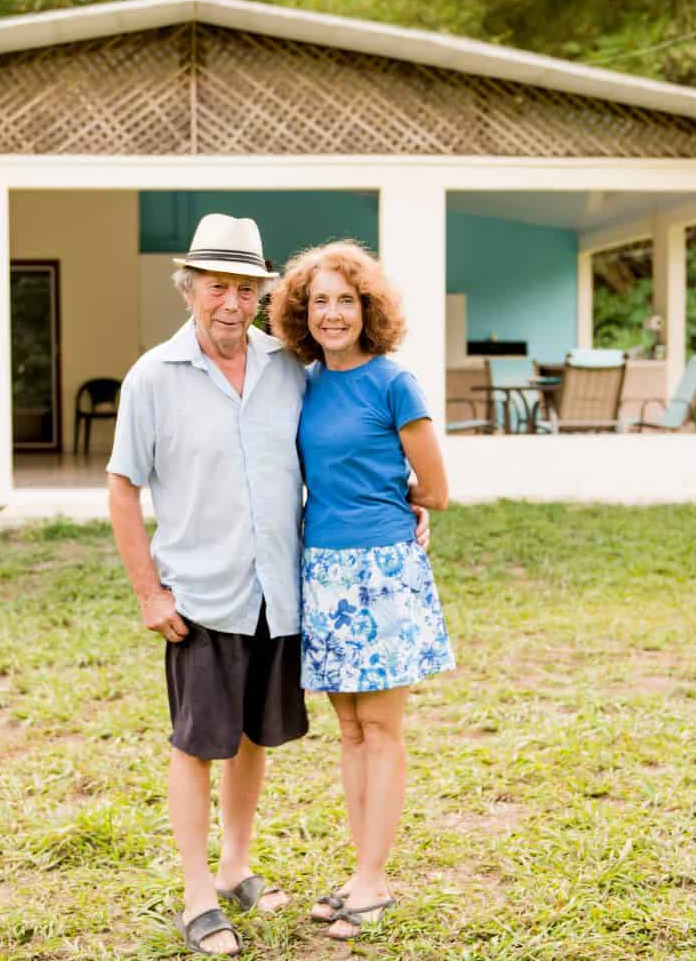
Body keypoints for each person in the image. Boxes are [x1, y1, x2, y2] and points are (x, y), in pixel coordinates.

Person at [106, 215, 427, 957]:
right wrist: (149, 594)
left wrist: (405, 504)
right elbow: (123, 490)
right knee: (196, 745)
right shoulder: (154, 376)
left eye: (247, 289)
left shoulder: (289, 367)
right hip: (202, 596)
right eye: (218, 287)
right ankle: (195, 899)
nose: (231, 303)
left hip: (280, 595)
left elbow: (347, 451)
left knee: (253, 738)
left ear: (262, 295)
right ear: (191, 289)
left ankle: (235, 868)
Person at [268, 240, 455, 943]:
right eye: (319, 301)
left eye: (346, 300)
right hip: (321, 571)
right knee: (347, 731)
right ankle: (360, 873)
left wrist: (403, 507)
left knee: (381, 730)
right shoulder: (303, 382)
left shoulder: (393, 383)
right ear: (302, 312)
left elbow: (435, 488)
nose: (332, 313)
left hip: (380, 575)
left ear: (367, 308)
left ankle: (375, 880)